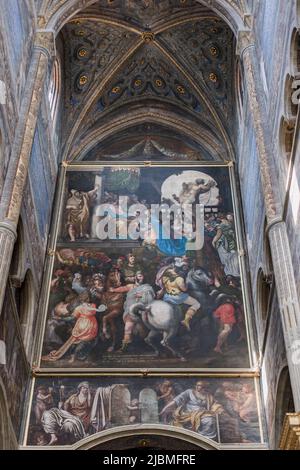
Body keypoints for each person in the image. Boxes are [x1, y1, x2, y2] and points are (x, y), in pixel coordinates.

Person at [108, 271, 155, 351]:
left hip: (142, 311)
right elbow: (122, 288)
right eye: (138, 276)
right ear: (135, 277)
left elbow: (152, 296)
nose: (139, 278)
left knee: (142, 331)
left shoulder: (147, 287)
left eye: (141, 276)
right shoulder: (131, 286)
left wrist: (143, 295)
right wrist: (113, 290)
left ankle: (151, 345)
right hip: (130, 311)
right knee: (128, 328)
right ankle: (124, 348)